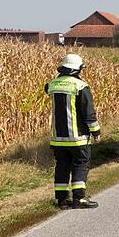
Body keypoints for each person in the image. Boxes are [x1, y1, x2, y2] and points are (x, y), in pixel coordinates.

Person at [45, 53, 101, 209]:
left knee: (62, 166)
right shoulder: (80, 86)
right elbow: (88, 113)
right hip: (78, 138)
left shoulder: (52, 85)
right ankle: (79, 198)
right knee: (81, 164)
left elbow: (46, 88)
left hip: (58, 138)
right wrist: (96, 132)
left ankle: (62, 200)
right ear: (78, 69)